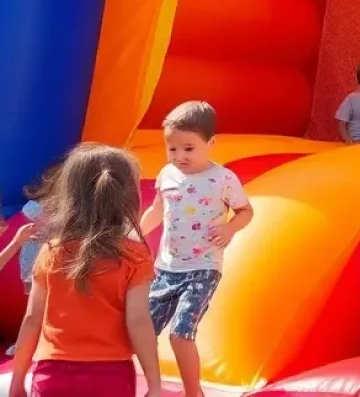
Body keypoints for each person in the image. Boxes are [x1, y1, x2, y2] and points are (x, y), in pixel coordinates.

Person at [10, 144, 161, 397]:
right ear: (127, 198)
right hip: (110, 375)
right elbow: (138, 321)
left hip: (53, 374)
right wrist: (154, 384)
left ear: (69, 196)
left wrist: (17, 381)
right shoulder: (134, 255)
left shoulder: (52, 252)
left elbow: (32, 320)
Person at [141, 101, 253, 397]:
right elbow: (156, 209)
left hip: (203, 267)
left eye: (188, 149)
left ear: (211, 143)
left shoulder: (223, 179)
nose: (179, 156)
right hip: (166, 268)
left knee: (180, 334)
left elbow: (245, 211)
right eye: (172, 149)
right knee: (143, 332)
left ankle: (194, 392)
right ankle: (153, 387)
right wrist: (135, 235)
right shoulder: (167, 174)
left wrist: (230, 228)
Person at [7, 160, 62, 358]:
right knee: (33, 306)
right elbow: (37, 215)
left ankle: (42, 340)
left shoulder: (63, 209)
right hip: (33, 264)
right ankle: (25, 342)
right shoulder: (36, 207)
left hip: (53, 264)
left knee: (49, 305)